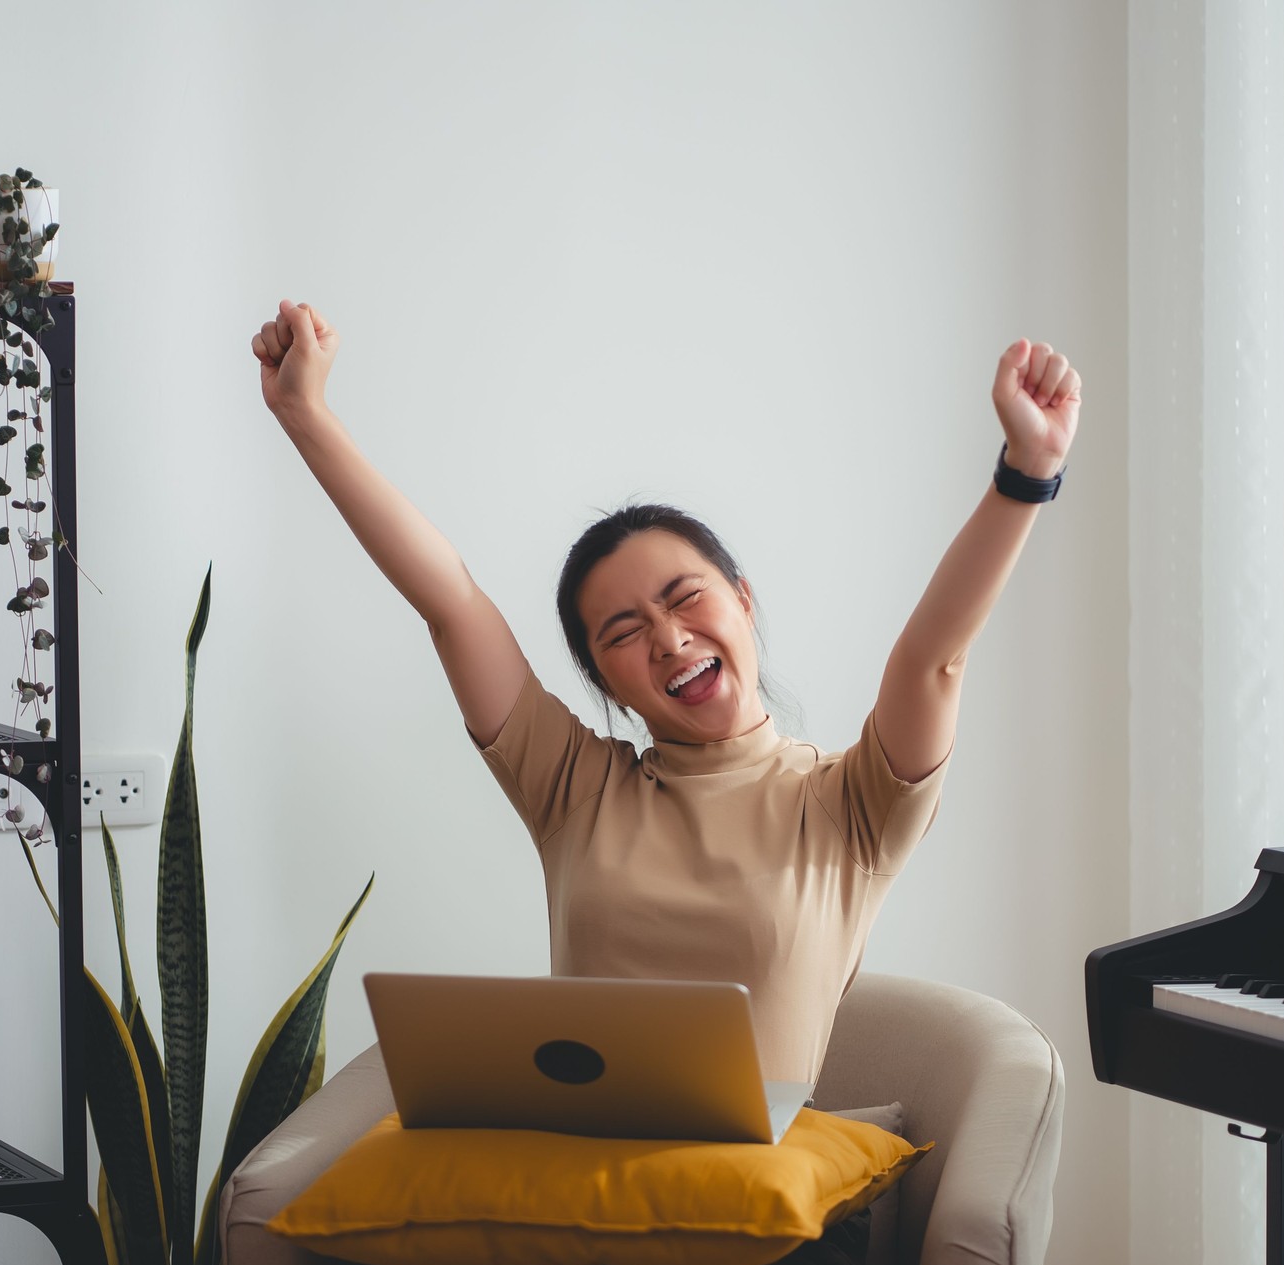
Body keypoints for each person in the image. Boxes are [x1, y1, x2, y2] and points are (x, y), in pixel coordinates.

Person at [251, 299, 1080, 1091]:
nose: (668, 638)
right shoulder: (575, 789)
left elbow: (932, 659)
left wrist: (1027, 473)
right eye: (621, 632)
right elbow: (451, 604)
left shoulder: (851, 805)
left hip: (756, 1216)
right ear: (603, 680)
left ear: (742, 601)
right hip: (582, 1201)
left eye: (686, 598)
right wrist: (306, 416)